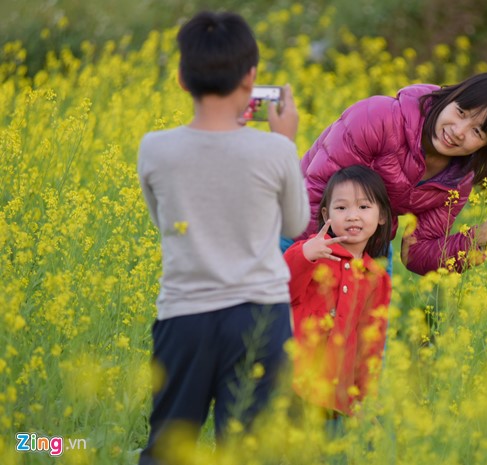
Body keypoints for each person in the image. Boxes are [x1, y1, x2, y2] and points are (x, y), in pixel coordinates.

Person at [136, 11, 309, 464]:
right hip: (259, 319)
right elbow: (295, 225)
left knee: (168, 449)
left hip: (184, 317)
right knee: (249, 450)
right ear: (251, 78)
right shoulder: (274, 149)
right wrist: (284, 143)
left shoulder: (154, 148)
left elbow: (166, 223)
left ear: (180, 77)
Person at [297, 72, 487, 275]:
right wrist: (326, 265)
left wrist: (474, 239)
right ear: (450, 97)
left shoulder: (457, 181)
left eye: (477, 132)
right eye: (461, 112)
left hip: (366, 243)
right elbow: (316, 194)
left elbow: (416, 253)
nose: (459, 132)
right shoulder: (378, 118)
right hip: (299, 227)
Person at [284, 165, 392, 417]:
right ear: (326, 214)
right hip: (291, 383)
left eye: (364, 207)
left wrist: (364, 396)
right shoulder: (312, 255)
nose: (352, 216)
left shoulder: (377, 279)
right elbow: (281, 294)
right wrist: (304, 254)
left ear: (382, 215)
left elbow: (370, 344)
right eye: (341, 208)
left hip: (334, 395)